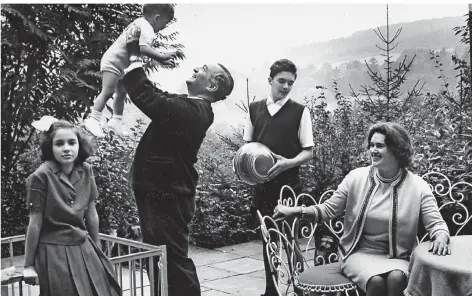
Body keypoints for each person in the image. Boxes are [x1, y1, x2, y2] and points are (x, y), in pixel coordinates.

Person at [273, 122, 451, 296]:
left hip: (397, 259)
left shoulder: (418, 187)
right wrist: (296, 211)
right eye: (371, 145)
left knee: (397, 278)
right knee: (375, 281)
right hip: (356, 253)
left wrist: (441, 237)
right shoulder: (356, 178)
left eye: (379, 146)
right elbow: (328, 210)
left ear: (397, 150)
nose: (373, 150)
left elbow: (436, 224)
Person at [121, 34, 234, 296]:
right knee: (161, 258)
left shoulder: (194, 112)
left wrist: (134, 61)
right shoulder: (190, 106)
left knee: (171, 260)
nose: (196, 69)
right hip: (162, 192)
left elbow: (152, 100)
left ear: (213, 86)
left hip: (167, 194)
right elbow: (161, 96)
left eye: (204, 70)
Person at [23, 120, 122, 296]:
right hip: (54, 250)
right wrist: (28, 265)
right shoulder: (40, 177)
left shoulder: (87, 170)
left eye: (71, 142)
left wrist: (97, 249)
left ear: (79, 144)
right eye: (59, 144)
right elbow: (35, 222)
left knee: (104, 289)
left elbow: (92, 214)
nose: (66, 148)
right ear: (50, 148)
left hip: (83, 244)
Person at [243, 59, 314, 296]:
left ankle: (298, 289)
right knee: (268, 240)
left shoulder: (300, 111)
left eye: (290, 83)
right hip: (262, 187)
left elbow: (309, 151)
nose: (285, 87)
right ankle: (270, 290)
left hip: (289, 187)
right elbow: (248, 148)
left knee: (292, 241)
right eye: (281, 81)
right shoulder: (254, 109)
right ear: (270, 80)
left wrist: (288, 164)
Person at [84, 4, 180, 138]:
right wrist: (161, 57)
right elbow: (143, 48)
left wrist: (160, 59)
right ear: (157, 18)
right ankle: (93, 119)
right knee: (108, 91)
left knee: (121, 93)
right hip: (114, 62)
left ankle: (116, 120)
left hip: (122, 64)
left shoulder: (140, 23)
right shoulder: (147, 27)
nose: (164, 27)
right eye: (165, 23)